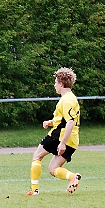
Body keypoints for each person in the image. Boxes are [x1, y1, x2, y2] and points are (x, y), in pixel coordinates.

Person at [25, 67, 82, 196]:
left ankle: (34, 189)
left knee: (37, 156)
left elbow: (70, 122)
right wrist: (51, 122)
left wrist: (62, 143)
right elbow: (65, 119)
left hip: (60, 136)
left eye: (55, 82)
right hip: (73, 140)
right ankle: (72, 177)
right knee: (53, 169)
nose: (54, 85)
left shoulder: (66, 100)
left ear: (61, 83)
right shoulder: (72, 98)